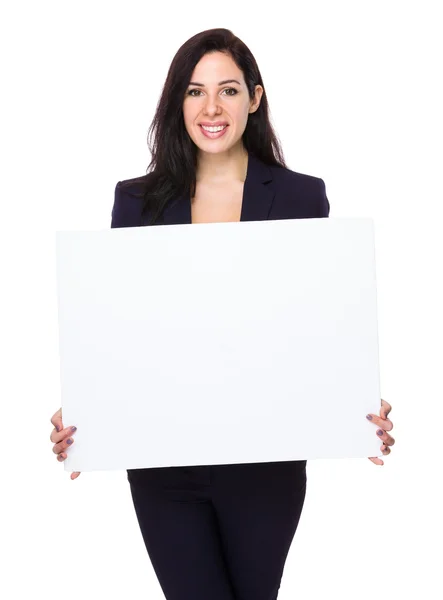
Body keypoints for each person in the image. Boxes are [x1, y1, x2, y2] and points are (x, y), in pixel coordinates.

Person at [49, 28, 395, 600]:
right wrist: (87, 411)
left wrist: (356, 401)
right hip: (164, 463)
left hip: (266, 463)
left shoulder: (302, 198)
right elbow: (122, 330)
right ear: (176, 102)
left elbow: (319, 327)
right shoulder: (137, 202)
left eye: (228, 91)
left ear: (254, 99)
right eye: (194, 91)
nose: (211, 108)